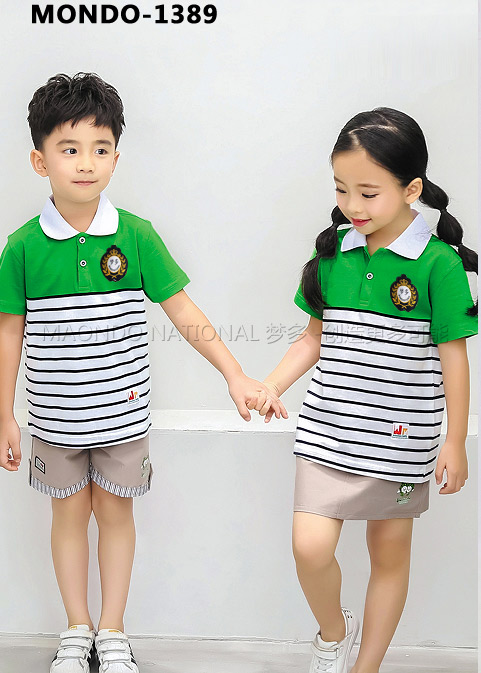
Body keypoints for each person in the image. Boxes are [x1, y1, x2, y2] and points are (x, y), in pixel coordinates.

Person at [0, 72, 287, 673]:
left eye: (100, 149)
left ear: (116, 157)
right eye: (69, 149)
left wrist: (234, 374)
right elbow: (9, 334)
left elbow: (182, 310)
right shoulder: (22, 247)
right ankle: (76, 629)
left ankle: (112, 631)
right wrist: (5, 414)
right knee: (67, 517)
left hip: (122, 417)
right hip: (53, 417)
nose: (86, 163)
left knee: (116, 516)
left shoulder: (136, 235)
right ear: (39, 160)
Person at [249, 108, 478, 673]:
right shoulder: (334, 253)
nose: (353, 205)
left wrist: (455, 440)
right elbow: (312, 338)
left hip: (401, 439)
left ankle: (365, 667)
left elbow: (454, 359)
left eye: (368, 193)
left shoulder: (439, 264)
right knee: (309, 547)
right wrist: (272, 384)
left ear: (411, 189)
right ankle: (334, 633)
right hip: (327, 431)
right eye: (341, 189)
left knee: (389, 555)